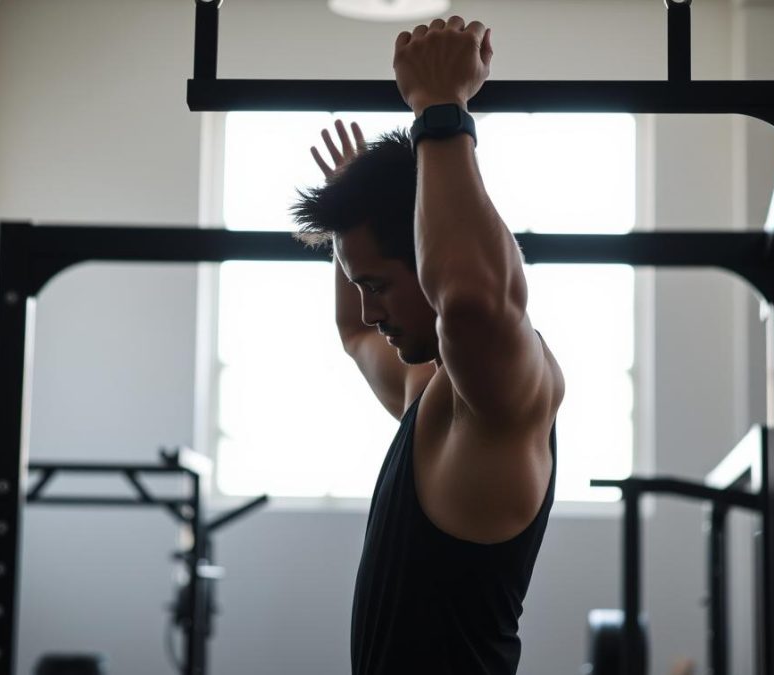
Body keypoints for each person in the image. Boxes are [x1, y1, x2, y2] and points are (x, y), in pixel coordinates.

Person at [291, 16, 565, 675]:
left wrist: (440, 109)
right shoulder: (429, 392)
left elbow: (470, 298)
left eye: (380, 284)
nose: (369, 308)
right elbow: (354, 332)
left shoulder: (499, 397)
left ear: (428, 255)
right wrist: (356, 206)